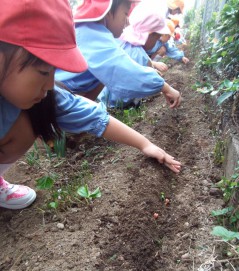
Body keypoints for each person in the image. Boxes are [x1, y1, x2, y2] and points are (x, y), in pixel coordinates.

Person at [0, 0, 182, 210]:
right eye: (43, 71)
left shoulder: (44, 94)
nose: (50, 83)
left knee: (33, 116)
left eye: (53, 71)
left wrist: (145, 144)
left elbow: (93, 115)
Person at [55, 0, 181, 108]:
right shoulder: (92, 34)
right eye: (125, 14)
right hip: (55, 97)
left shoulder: (90, 31)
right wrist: (164, 87)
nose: (127, 22)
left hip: (64, 93)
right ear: (108, 11)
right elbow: (124, 69)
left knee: (101, 79)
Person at [98, 0, 171, 107]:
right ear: (149, 34)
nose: (158, 40)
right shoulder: (137, 53)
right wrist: (165, 88)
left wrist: (151, 69)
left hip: (104, 95)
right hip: (114, 103)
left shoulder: (123, 41)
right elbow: (139, 78)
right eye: (157, 37)